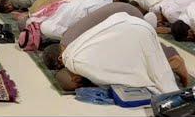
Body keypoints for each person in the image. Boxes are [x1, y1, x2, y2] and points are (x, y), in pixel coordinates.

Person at [45, 12, 187, 94]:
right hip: (124, 20)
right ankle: (172, 64)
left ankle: (175, 65)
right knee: (148, 61)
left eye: (78, 84)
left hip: (134, 30)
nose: (80, 84)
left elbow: (116, 78)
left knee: (156, 79)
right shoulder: (71, 48)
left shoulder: (78, 63)